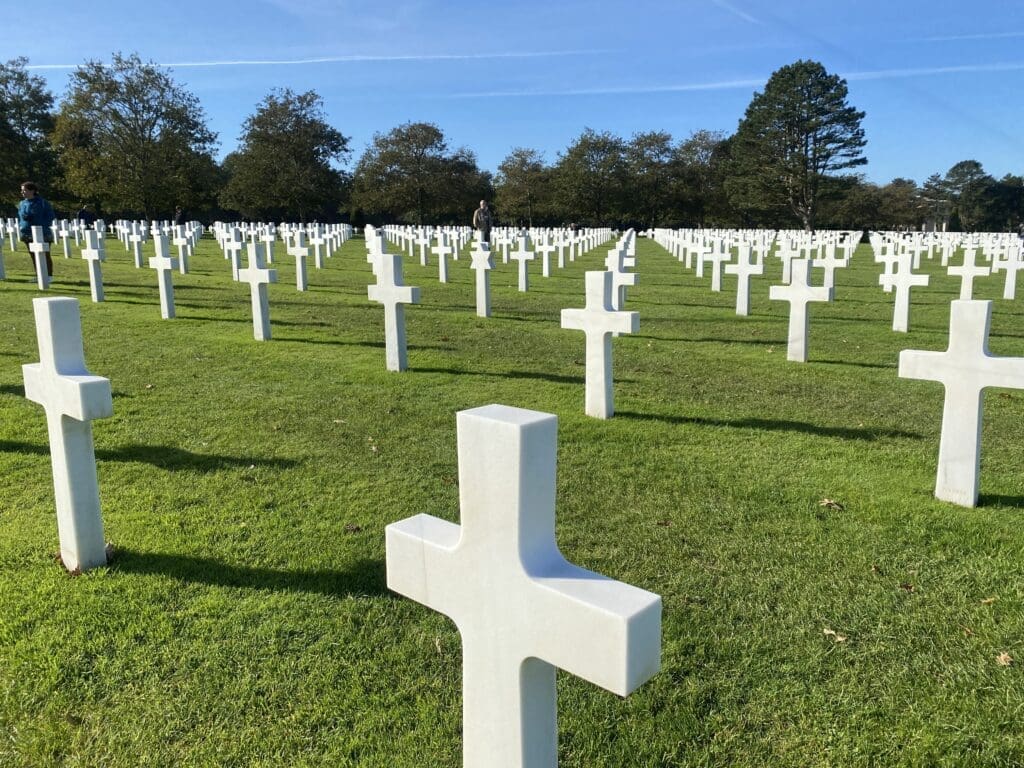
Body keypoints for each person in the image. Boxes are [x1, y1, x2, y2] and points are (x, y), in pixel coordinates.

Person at [18, 181, 55, 277]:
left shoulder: (42, 203)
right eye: (22, 190)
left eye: (24, 190)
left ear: (32, 191)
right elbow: (20, 218)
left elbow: (50, 216)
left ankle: (48, 275)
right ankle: (39, 275)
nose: (22, 192)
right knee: (33, 255)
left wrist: (39, 224)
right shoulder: (22, 204)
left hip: (42, 233)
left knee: (44, 255)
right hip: (27, 233)